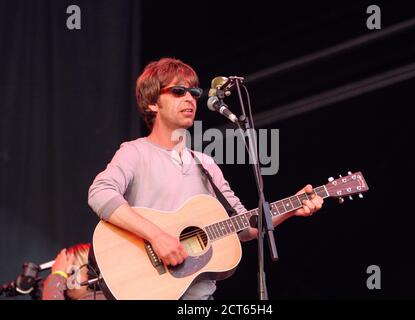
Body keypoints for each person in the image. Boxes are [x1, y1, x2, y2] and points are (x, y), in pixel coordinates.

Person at [87, 57, 324, 300]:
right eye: (178, 91)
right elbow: (100, 193)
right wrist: (157, 237)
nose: (190, 98)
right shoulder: (135, 152)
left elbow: (245, 226)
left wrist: (292, 207)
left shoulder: (206, 164)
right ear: (152, 103)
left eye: (194, 92)